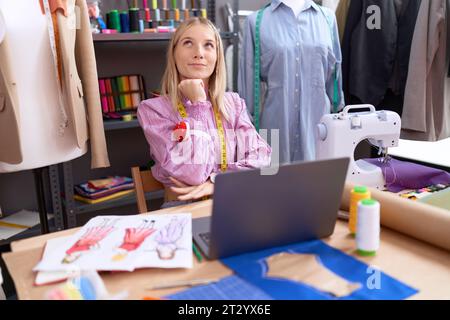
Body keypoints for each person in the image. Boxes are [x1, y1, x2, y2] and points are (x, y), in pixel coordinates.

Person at [138, 17, 272, 208]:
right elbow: (193, 174)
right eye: (188, 43)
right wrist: (198, 105)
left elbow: (264, 158)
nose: (199, 53)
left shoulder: (233, 104)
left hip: (235, 203)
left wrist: (215, 182)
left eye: (208, 45)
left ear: (217, 56)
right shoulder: (154, 110)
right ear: (174, 53)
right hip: (183, 213)